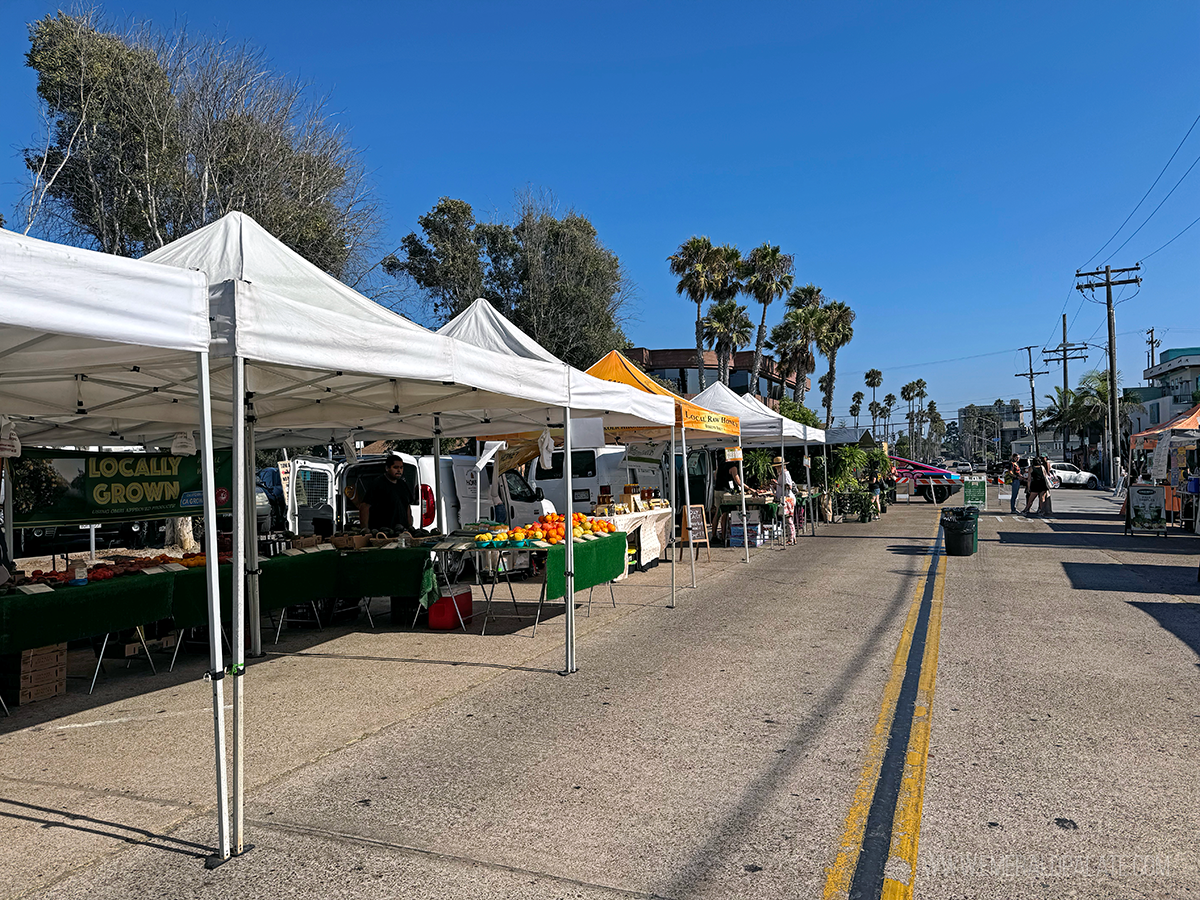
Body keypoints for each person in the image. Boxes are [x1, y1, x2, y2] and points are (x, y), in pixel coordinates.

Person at [360, 452, 414, 532]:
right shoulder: (378, 484)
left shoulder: (403, 485)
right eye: (395, 467)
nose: (399, 470)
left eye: (401, 467)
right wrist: (365, 529)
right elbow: (365, 506)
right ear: (387, 468)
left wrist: (410, 526)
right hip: (382, 531)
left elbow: (407, 507)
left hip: (402, 530)